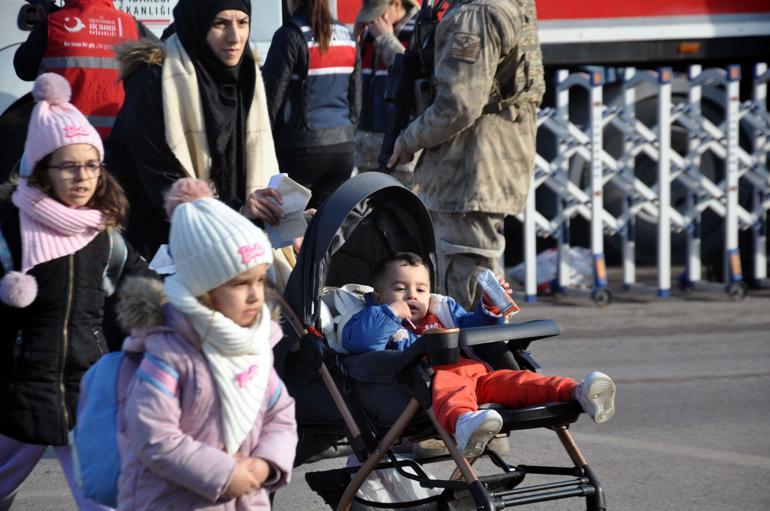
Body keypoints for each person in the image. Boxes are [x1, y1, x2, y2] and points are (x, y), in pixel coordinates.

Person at [0, 73, 151, 510]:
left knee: (105, 496)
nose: (82, 177)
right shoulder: (12, 232)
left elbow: (141, 286)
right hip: (22, 390)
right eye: (68, 166)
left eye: (91, 165)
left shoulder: (103, 235)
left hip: (87, 387)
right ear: (42, 170)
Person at [116, 178, 297, 509]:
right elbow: (154, 435)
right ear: (204, 287)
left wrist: (266, 463)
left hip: (246, 497)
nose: (256, 294)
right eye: (240, 284)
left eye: (260, 280)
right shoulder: (170, 352)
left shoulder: (255, 344)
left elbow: (280, 412)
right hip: (174, 500)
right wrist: (223, 474)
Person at [341, 252, 615, 458]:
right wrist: (389, 313)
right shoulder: (373, 317)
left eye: (421, 289)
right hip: (427, 383)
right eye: (400, 289)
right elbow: (359, 343)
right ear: (378, 297)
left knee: (517, 381)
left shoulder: (442, 312)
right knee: (450, 382)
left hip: (476, 374)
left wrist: (490, 307)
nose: (412, 295)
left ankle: (577, 391)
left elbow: (474, 328)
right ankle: (463, 422)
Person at [386, 0, 545, 309]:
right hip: (486, 162)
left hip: (469, 168)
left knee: (466, 284)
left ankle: (475, 355)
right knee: (474, 278)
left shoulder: (475, 15)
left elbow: (459, 105)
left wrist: (408, 140)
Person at [105, 0, 281, 259]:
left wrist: (282, 216)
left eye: (242, 23)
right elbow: (162, 184)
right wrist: (239, 210)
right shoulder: (153, 80)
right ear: (197, 24)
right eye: (220, 23)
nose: (235, 37)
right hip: (157, 244)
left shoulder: (244, 74)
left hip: (227, 235)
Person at [262, 0, 360, 209]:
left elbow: (270, 100)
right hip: (342, 148)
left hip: (300, 149)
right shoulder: (348, 36)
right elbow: (356, 101)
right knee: (325, 231)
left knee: (291, 229)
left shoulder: (290, 34)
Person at [13, 0, 157, 139]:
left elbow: (23, 69)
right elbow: (163, 61)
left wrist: (41, 29)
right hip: (116, 145)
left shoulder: (53, 24)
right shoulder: (131, 25)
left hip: (63, 142)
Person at [354, 0, 420, 189]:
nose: (372, 21)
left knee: (404, 215)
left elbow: (414, 79)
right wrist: (355, 44)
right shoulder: (369, 34)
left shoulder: (421, 29)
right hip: (366, 153)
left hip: (402, 157)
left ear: (397, 4)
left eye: (377, 13)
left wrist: (386, 40)